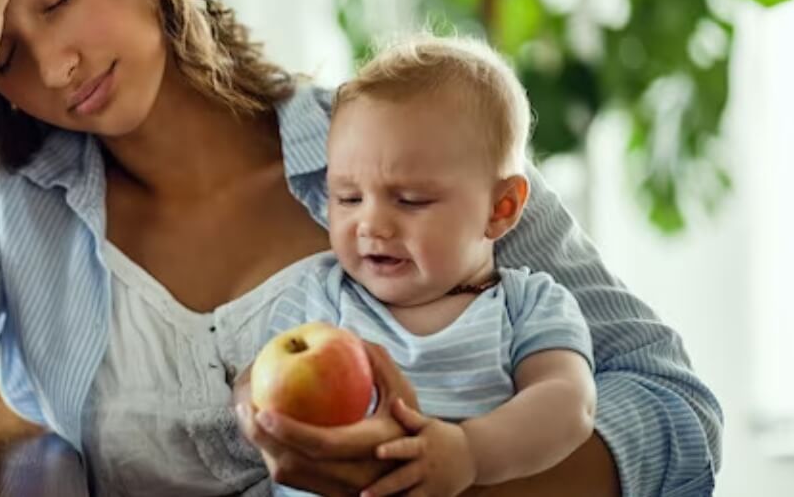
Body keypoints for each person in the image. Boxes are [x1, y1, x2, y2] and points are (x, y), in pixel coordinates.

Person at [0, 0, 722, 495]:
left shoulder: (404, 156)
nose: (58, 66)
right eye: (0, 59)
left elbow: (677, 414)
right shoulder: (20, 208)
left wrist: (453, 471)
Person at [252, 35, 597, 497]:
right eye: (348, 198)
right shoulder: (317, 294)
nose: (370, 223)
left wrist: (471, 453)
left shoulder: (527, 304)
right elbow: (256, 388)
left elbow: (569, 404)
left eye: (410, 200)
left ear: (501, 207)